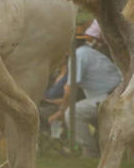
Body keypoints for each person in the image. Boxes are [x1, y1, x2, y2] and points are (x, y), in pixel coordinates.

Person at [48, 20, 121, 158]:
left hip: (112, 98)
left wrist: (61, 112)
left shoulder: (79, 55)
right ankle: (97, 150)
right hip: (113, 97)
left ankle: (90, 154)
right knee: (82, 112)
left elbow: (70, 89)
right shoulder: (90, 54)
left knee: (73, 114)